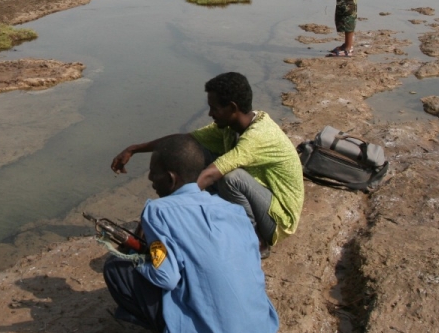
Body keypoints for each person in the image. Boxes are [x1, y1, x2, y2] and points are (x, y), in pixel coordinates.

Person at [102, 134, 281, 332]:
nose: (150, 178)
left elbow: (165, 278)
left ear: (171, 178)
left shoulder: (158, 210)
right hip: (263, 326)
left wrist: (137, 259)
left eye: (153, 172)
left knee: (115, 267)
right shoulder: (233, 210)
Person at [110, 72, 304, 253]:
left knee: (230, 177)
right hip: (259, 197)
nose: (210, 113)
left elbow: (211, 174)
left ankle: (255, 242)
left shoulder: (258, 135)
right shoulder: (231, 126)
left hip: (277, 218)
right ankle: (218, 220)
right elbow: (183, 143)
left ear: (233, 108)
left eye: (215, 108)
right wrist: (133, 149)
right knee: (192, 156)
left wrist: (163, 207)